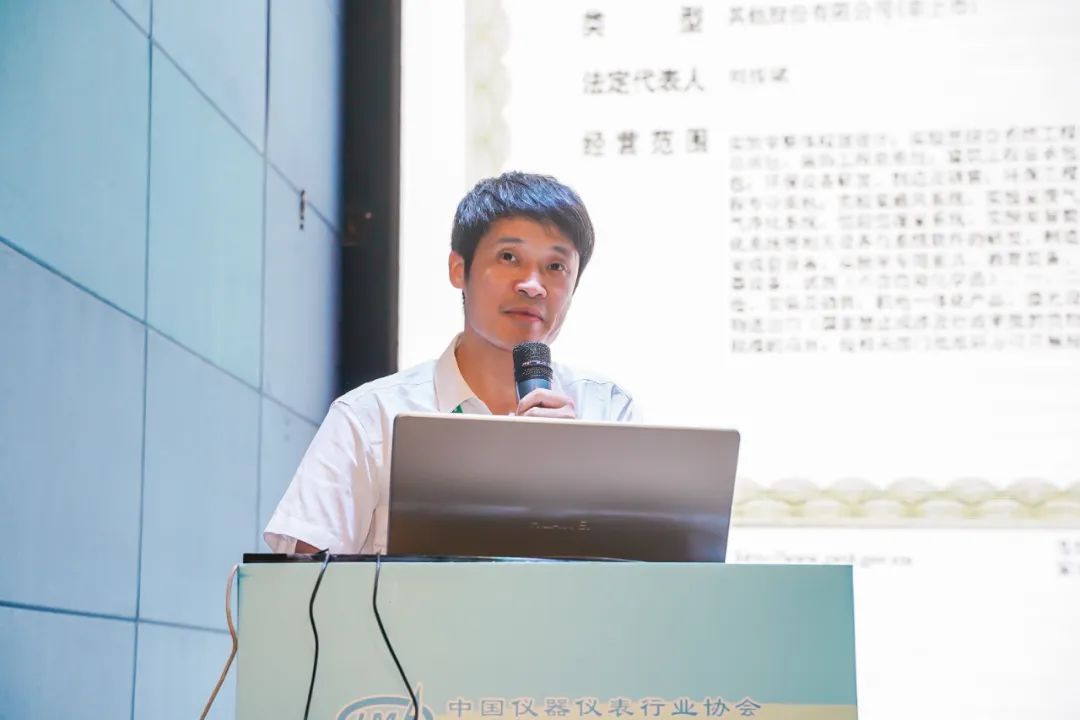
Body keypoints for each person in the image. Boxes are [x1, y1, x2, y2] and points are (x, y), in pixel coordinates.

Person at [264, 171, 639, 554]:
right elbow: (301, 579)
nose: (532, 285)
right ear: (459, 269)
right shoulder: (370, 418)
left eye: (556, 267)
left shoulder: (608, 412)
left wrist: (575, 474)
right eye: (509, 257)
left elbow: (648, 569)